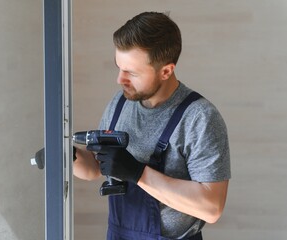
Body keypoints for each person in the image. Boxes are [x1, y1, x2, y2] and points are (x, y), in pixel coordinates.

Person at [73, 11, 230, 240]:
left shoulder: (200, 118)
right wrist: (69, 157)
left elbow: (212, 207)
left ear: (166, 71)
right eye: (119, 67)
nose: (120, 79)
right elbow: (96, 167)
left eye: (131, 72)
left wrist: (137, 173)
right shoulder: (120, 103)